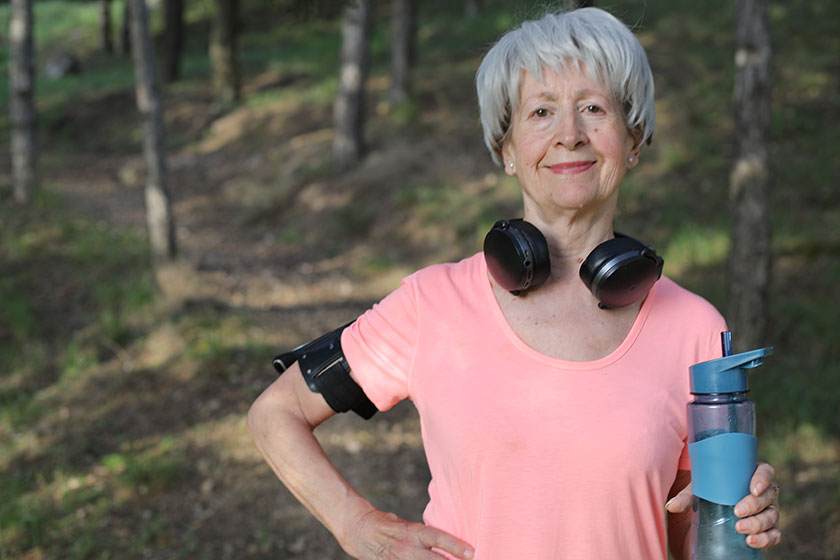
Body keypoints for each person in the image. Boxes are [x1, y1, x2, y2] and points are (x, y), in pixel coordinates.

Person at [248, 7, 782, 559]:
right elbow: (276, 414)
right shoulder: (431, 305)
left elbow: (682, 532)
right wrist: (357, 526)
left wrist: (738, 522)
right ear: (506, 150)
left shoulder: (694, 328)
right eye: (541, 112)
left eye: (594, 108)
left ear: (635, 139)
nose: (569, 135)